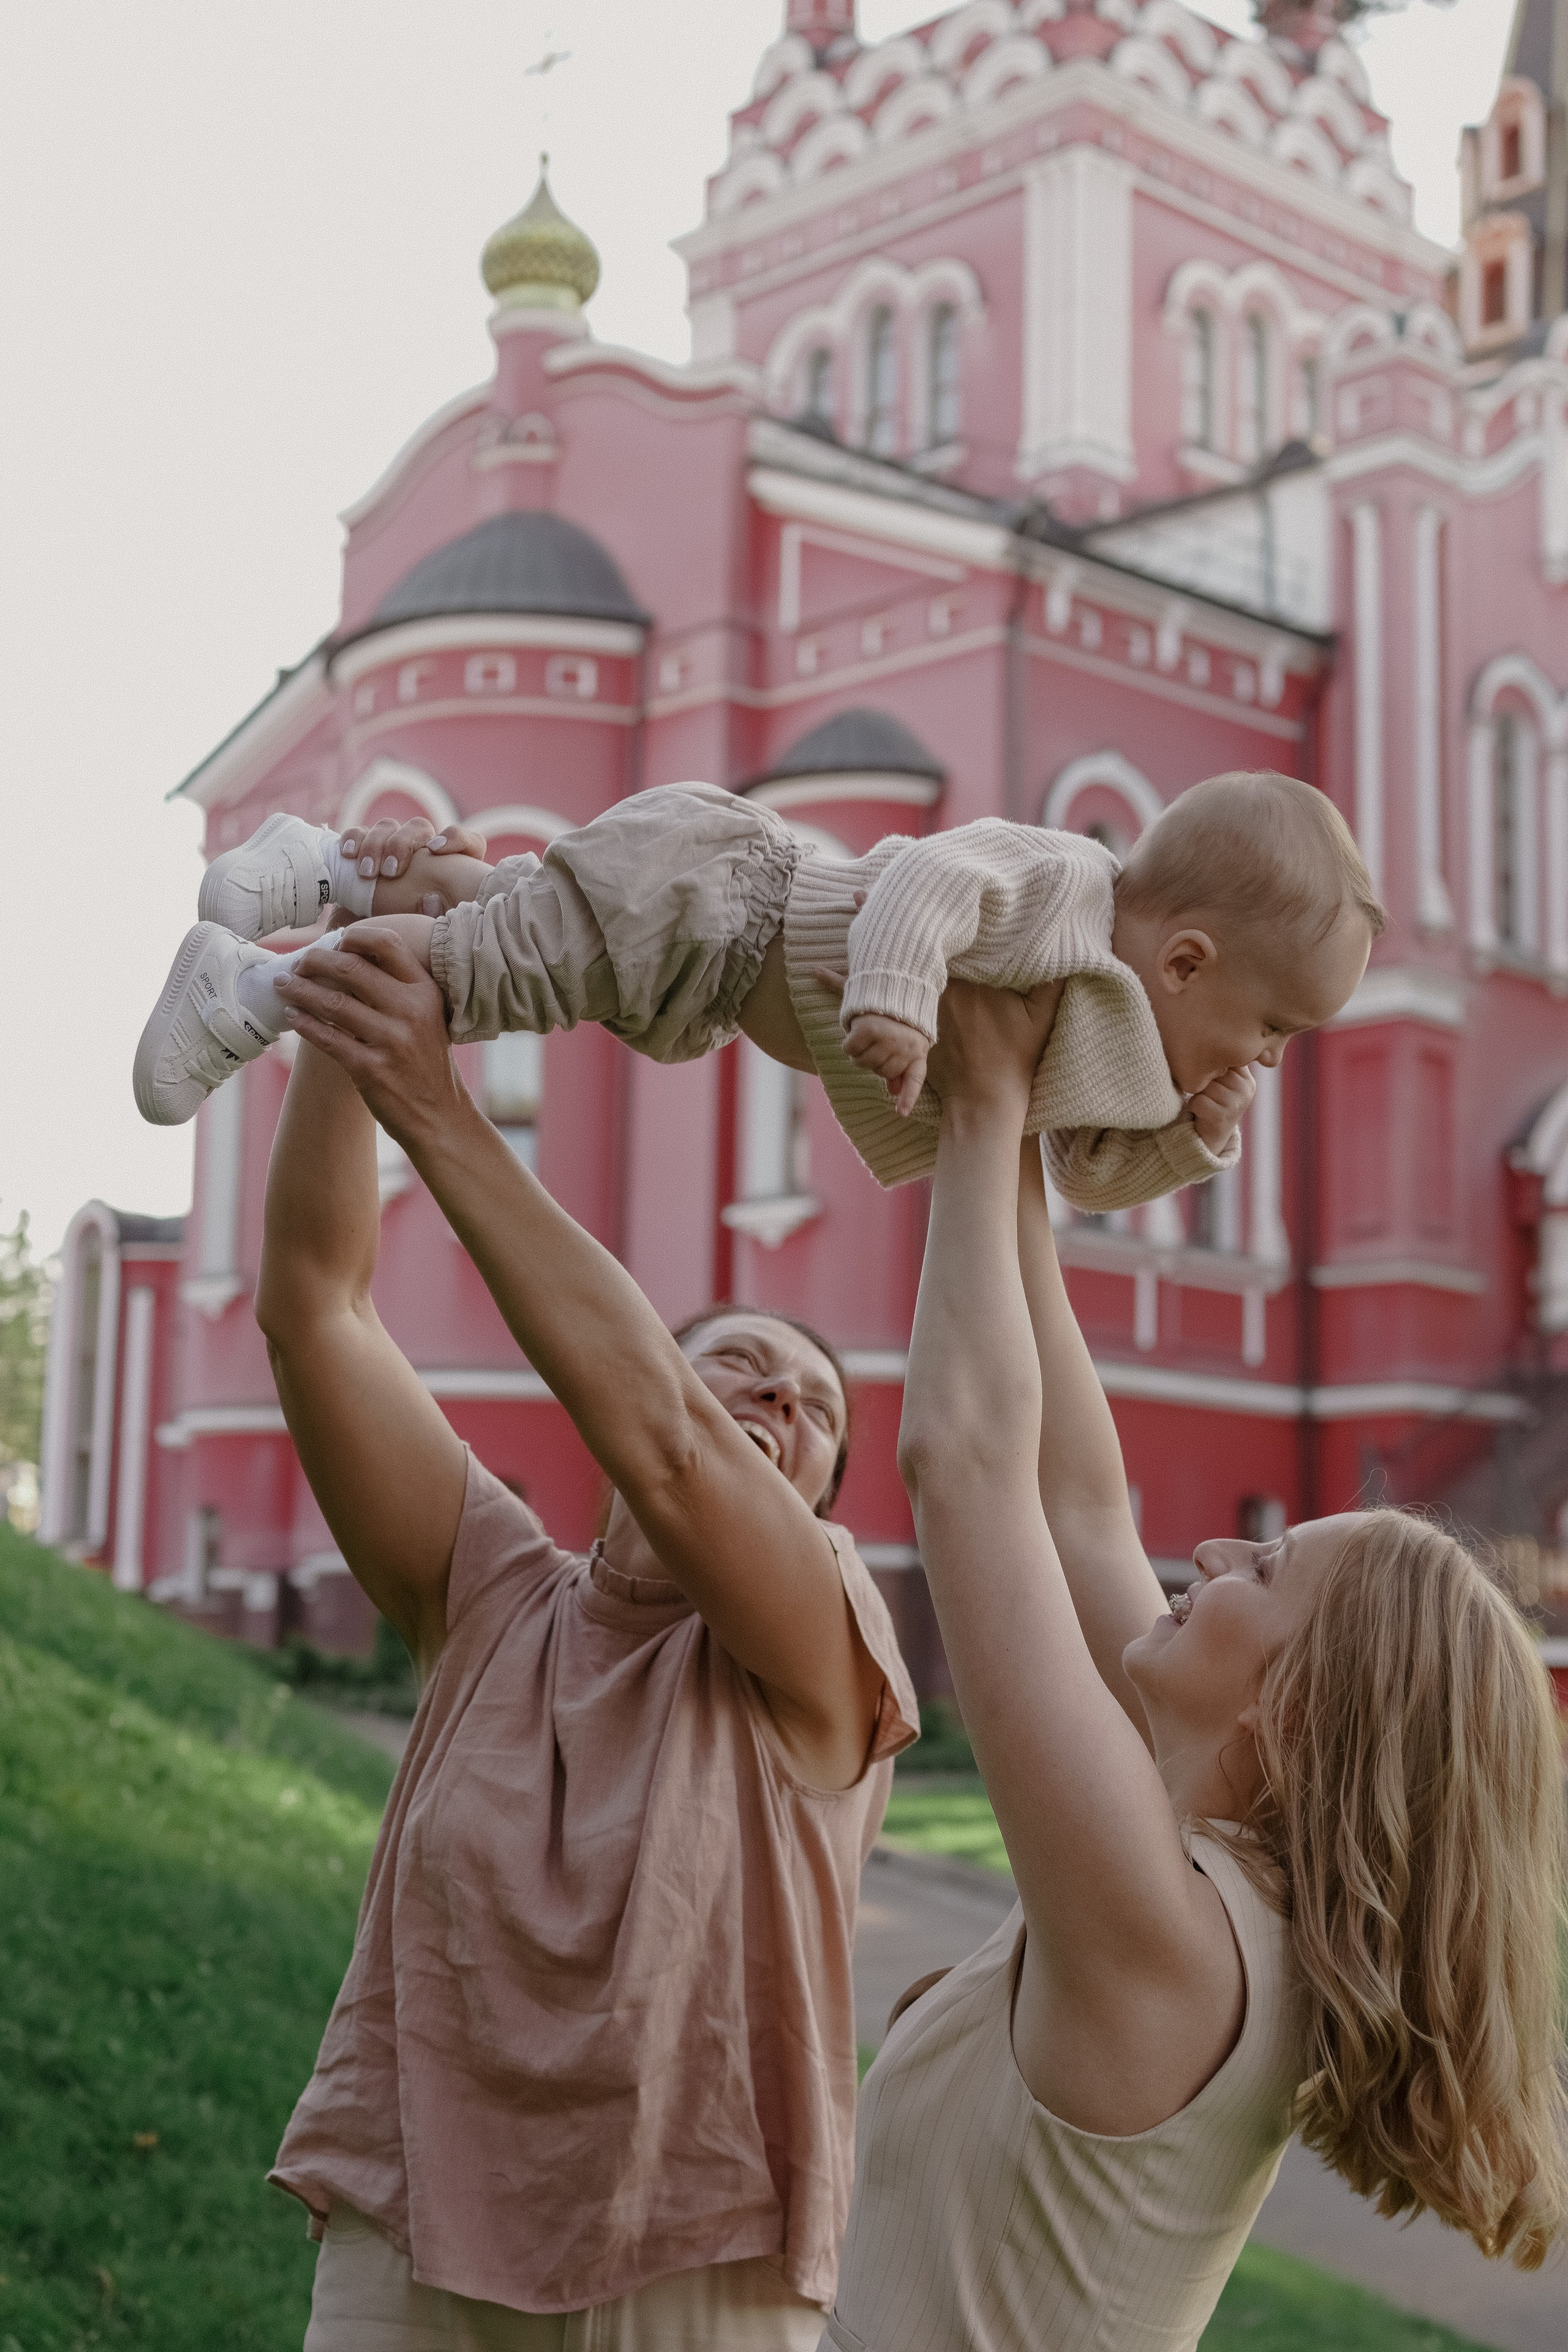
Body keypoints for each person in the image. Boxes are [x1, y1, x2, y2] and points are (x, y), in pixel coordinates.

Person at [822, 977, 1568, 2352]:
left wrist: (985, 1108)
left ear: (1292, 1714)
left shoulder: (1170, 1942)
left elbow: (967, 1469)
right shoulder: (1207, 1882)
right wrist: (1021, 1139)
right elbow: (1076, 1505)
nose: (1213, 1556)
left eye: (1264, 1569)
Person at [253, 924, 919, 2349]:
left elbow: (676, 1454)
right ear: (638, 1355)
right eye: (742, 1358)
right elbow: (318, 1310)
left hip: (697, 2258)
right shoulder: (492, 1589)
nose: (783, 1398)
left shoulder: (821, 1633)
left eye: (814, 1411)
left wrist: (435, 1105)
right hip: (414, 2214)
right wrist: (353, 1001)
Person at [134, 767, 1378, 1210]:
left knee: (519, 921)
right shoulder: (1069, 889)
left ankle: (319, 865)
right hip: (732, 894)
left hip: (716, 981)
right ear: (1182, 963)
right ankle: (254, 990)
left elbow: (1081, 1167)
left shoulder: (1125, 1031)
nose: (1267, 1059)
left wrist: (1188, 1144)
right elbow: (934, 881)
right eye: (1272, 1028)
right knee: (498, 973)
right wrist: (892, 994)